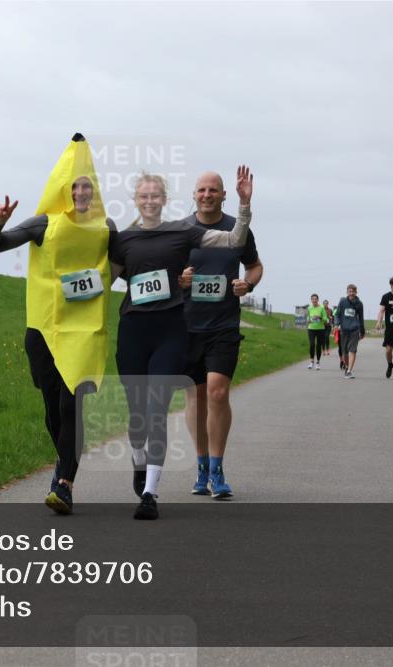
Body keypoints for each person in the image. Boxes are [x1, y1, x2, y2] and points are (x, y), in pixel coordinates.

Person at [0, 133, 117, 515]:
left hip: (84, 330)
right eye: (75, 186)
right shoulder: (43, 223)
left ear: (95, 191)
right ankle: (63, 462)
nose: (81, 192)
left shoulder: (106, 227)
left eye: (87, 186)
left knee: (70, 403)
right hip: (42, 328)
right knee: (51, 408)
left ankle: (65, 483)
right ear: (64, 189)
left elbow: (129, 261)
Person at [112, 167, 254, 518]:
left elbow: (236, 243)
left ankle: (161, 489)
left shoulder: (181, 232)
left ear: (165, 199)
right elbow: (107, 276)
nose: (149, 201)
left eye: (155, 196)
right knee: (149, 412)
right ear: (136, 200)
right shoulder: (124, 238)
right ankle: (145, 458)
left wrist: (245, 204)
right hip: (145, 328)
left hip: (188, 327)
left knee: (179, 401)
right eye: (143, 196)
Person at [179, 171, 262, 499]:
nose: (207, 194)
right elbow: (165, 269)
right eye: (202, 189)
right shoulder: (182, 231)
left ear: (223, 194)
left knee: (216, 392)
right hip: (186, 326)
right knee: (195, 397)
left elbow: (255, 266)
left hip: (224, 325)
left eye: (213, 190)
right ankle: (200, 466)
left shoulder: (237, 229)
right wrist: (179, 277)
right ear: (194, 194)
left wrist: (248, 284)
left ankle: (217, 468)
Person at [336, 284, 365, 379]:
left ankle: (349, 371)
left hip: (355, 330)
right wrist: (337, 324)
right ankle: (347, 367)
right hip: (344, 330)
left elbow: (361, 318)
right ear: (347, 292)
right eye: (350, 291)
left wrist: (362, 331)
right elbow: (337, 314)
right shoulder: (342, 301)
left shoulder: (359, 304)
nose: (351, 293)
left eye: (353, 291)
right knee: (345, 352)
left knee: (352, 350)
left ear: (356, 292)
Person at [306, 294, 327, 371]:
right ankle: (311, 361)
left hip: (320, 329)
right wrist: (308, 320)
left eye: (315, 299)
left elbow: (325, 319)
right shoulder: (309, 308)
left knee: (318, 346)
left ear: (318, 300)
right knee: (312, 344)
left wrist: (320, 317)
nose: (314, 300)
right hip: (311, 328)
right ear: (311, 300)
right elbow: (308, 317)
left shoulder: (321, 308)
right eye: (312, 299)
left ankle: (318, 362)